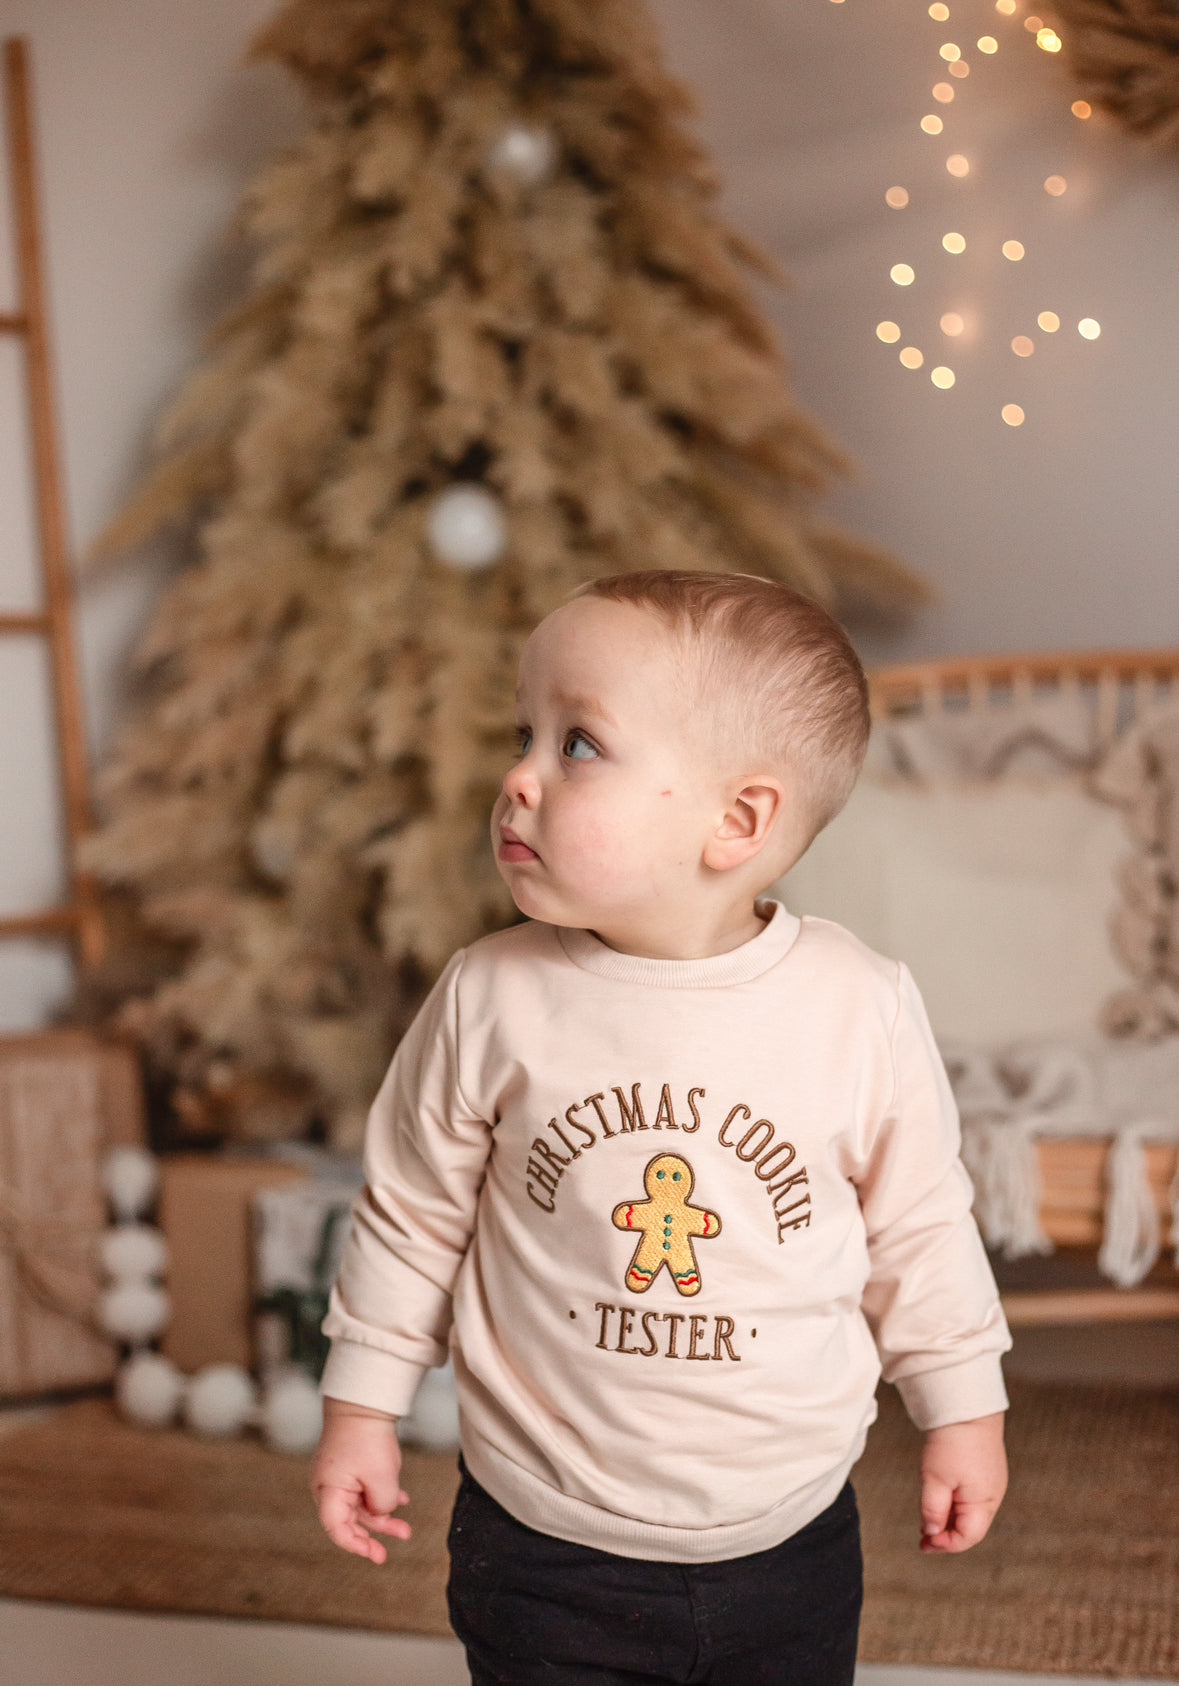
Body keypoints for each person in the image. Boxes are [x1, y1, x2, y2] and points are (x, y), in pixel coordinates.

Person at [311, 569, 1011, 1685]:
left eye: (576, 745)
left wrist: (964, 1409)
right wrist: (362, 1409)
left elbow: (920, 1225)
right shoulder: (491, 996)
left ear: (738, 820)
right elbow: (410, 1216)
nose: (519, 779)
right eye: (522, 733)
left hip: (789, 1535)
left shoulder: (854, 1005)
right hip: (544, 1537)